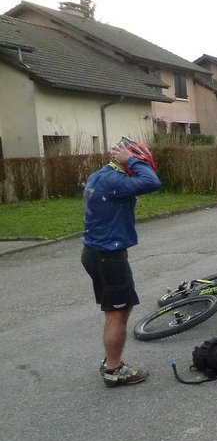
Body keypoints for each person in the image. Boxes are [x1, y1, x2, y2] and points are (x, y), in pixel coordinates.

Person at [81, 137, 161, 387]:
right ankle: (114, 370)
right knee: (117, 313)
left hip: (97, 252)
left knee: (120, 309)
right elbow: (152, 182)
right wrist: (132, 159)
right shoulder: (115, 181)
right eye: (137, 163)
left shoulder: (101, 176)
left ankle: (111, 363)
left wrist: (129, 161)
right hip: (108, 256)